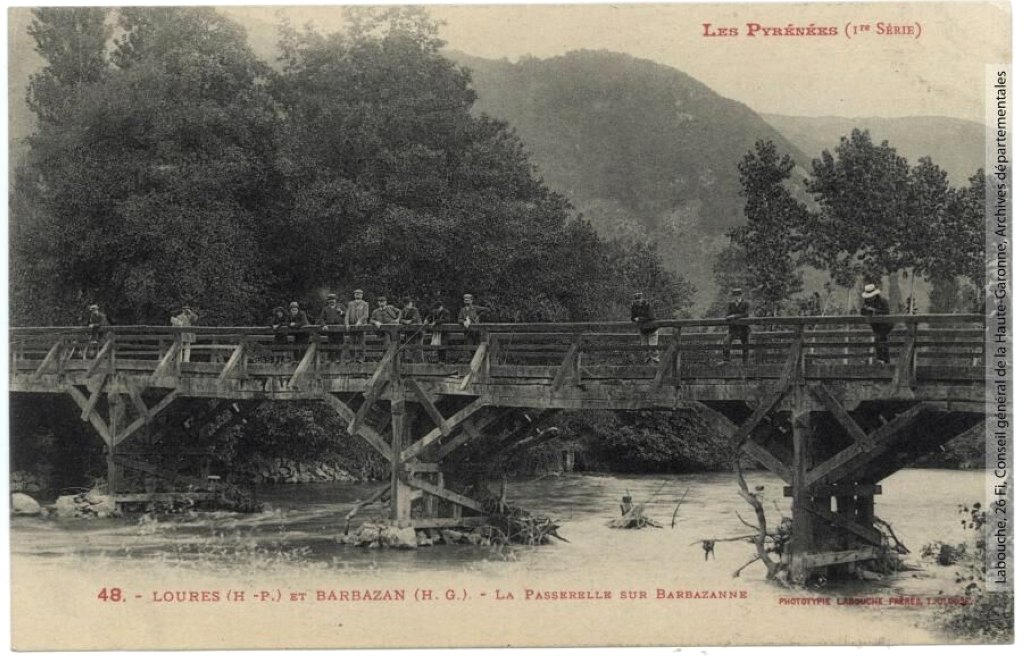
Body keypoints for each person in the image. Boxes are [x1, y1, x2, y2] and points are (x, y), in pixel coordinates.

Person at [860, 283, 893, 364]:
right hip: (876, 326)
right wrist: (867, 310)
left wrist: (875, 311)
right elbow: (862, 312)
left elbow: (886, 313)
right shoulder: (866, 303)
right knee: (878, 341)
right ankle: (882, 360)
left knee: (881, 340)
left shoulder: (883, 301)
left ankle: (884, 361)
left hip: (886, 325)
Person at [630, 291, 659, 363]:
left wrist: (640, 319)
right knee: (644, 347)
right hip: (643, 329)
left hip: (652, 329)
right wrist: (634, 319)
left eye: (639, 299)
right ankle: (646, 362)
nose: (638, 301)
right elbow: (633, 317)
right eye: (636, 300)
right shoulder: (634, 306)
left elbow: (652, 317)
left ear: (642, 299)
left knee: (653, 347)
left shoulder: (648, 305)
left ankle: (655, 361)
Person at [723, 288, 750, 364]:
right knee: (726, 342)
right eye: (734, 295)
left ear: (741, 295)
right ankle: (726, 361)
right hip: (733, 329)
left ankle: (745, 363)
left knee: (745, 345)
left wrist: (734, 315)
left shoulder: (746, 303)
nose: (736, 297)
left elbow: (746, 314)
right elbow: (727, 315)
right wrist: (730, 316)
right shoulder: (731, 304)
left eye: (738, 295)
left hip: (743, 329)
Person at [318, 293, 346, 363]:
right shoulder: (325, 308)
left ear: (336, 300)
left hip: (339, 328)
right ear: (328, 301)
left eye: (333, 300)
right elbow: (321, 318)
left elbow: (347, 314)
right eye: (330, 300)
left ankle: (338, 358)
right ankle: (330, 358)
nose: (331, 301)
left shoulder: (341, 306)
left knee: (339, 343)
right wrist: (324, 325)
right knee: (330, 343)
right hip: (330, 329)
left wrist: (341, 312)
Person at [345, 289, 370, 363]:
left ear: (362, 295)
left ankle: (361, 358)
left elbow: (366, 315)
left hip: (361, 326)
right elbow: (347, 314)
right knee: (351, 342)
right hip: (352, 326)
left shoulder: (365, 304)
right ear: (354, 295)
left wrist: (360, 321)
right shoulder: (350, 303)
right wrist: (347, 324)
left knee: (361, 342)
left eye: (359, 294)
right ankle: (352, 358)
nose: (357, 295)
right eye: (356, 293)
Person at [424, 299, 451, 364]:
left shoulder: (446, 312)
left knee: (443, 345)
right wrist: (426, 320)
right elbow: (429, 317)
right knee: (437, 345)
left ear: (441, 307)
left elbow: (447, 320)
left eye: (439, 308)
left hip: (444, 332)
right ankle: (438, 360)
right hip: (436, 332)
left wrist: (436, 321)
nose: (438, 309)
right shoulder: (434, 311)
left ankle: (443, 361)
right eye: (437, 308)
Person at [399, 296, 423, 362]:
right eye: (409, 303)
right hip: (409, 332)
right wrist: (405, 321)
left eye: (411, 303)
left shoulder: (415, 310)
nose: (410, 304)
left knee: (418, 348)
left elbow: (413, 319)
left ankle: (418, 362)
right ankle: (409, 361)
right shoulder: (404, 310)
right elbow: (400, 319)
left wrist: (407, 321)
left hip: (417, 332)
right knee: (408, 347)